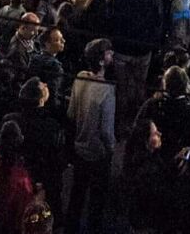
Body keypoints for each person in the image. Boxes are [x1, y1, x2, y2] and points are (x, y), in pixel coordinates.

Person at [67, 39, 116, 234]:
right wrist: (110, 149)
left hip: (79, 148)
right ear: (101, 61)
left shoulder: (80, 78)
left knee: (76, 194)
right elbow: (106, 130)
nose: (111, 54)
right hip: (98, 154)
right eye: (108, 53)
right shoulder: (107, 90)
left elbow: (71, 113)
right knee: (97, 199)